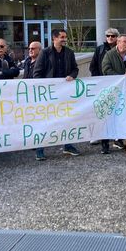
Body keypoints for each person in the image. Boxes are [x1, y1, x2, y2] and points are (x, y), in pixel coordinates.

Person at [32, 29, 81, 159]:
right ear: (54, 38)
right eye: (62, 37)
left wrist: (72, 75)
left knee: (66, 119)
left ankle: (67, 145)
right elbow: (37, 73)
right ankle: (40, 149)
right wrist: (44, 88)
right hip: (48, 95)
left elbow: (75, 68)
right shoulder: (45, 53)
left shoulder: (69, 53)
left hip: (64, 94)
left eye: (65, 37)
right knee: (45, 121)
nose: (65, 39)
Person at [101, 34, 126, 154]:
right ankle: (105, 145)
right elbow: (106, 69)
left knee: (123, 115)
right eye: (124, 42)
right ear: (118, 43)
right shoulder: (110, 54)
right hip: (112, 91)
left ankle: (120, 140)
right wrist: (120, 78)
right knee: (109, 116)